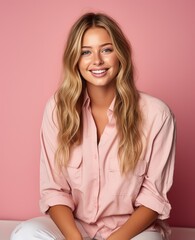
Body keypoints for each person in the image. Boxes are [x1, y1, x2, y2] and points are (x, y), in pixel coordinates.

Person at [11, 12, 176, 240]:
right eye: (85, 52)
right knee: (26, 234)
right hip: (75, 228)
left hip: (131, 233)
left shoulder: (157, 115)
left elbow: (153, 198)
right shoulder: (58, 109)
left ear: (121, 54)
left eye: (106, 49)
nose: (97, 60)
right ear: (75, 60)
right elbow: (54, 191)